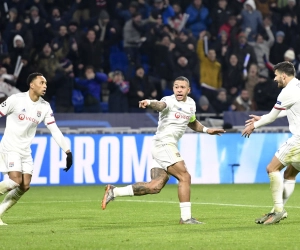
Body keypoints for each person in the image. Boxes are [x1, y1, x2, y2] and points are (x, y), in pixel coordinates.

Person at [101, 76, 225, 224]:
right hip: (163, 145)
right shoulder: (169, 100)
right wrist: (149, 102)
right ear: (173, 89)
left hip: (164, 147)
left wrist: (206, 130)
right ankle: (186, 218)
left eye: (182, 87)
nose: (179, 89)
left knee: (155, 186)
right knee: (185, 177)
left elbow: (191, 122)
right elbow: (160, 105)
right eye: (176, 86)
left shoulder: (191, 104)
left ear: (188, 90)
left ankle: (114, 191)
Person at [0, 72, 73, 225]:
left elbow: (54, 130)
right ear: (31, 85)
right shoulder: (16, 99)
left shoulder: (44, 107)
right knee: (15, 181)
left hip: (25, 151)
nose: (45, 86)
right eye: (41, 82)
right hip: (10, 147)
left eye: (45, 83)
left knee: (24, 186)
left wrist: (67, 151)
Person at [242, 61, 300, 225]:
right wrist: (263, 117)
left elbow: (273, 117)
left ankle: (279, 211)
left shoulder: (286, 92)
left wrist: (254, 125)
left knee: (271, 168)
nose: (274, 79)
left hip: (299, 139)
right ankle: (276, 211)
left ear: (283, 75)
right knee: (289, 174)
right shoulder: (298, 87)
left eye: (275, 75)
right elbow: (288, 110)